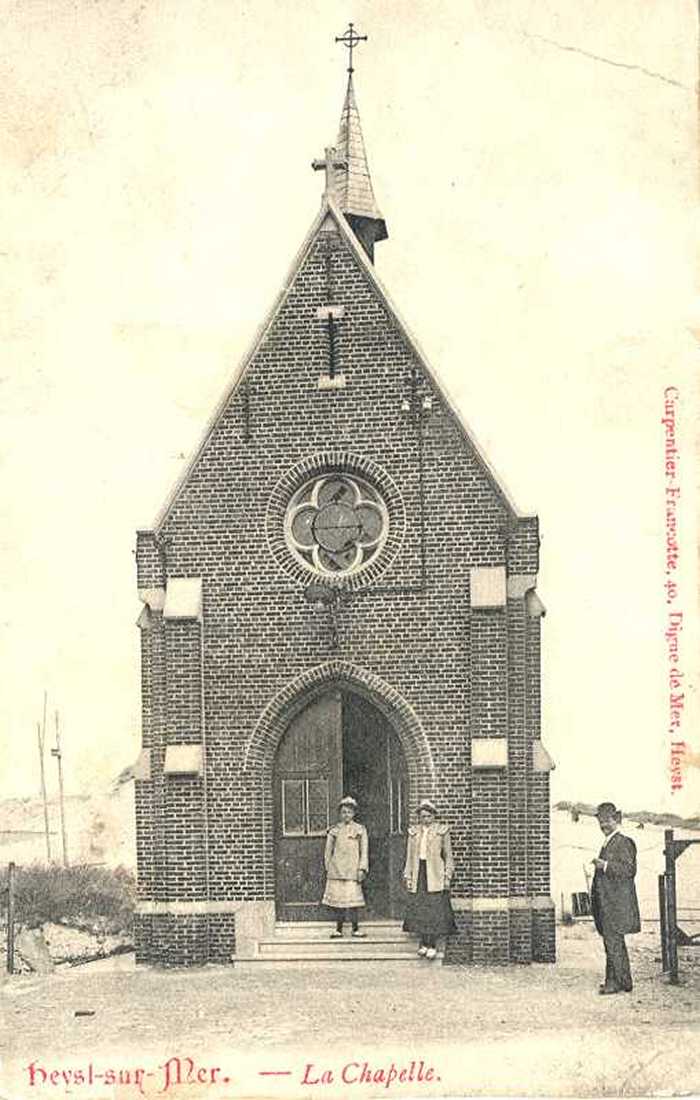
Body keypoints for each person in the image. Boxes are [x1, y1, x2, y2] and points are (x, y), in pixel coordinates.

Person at [590, 801, 641, 994]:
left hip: (615, 904)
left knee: (613, 942)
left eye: (607, 821)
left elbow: (629, 870)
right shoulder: (609, 842)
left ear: (616, 820)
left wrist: (604, 865)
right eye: (601, 821)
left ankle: (614, 983)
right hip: (607, 903)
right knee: (613, 942)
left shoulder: (624, 842)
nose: (603, 825)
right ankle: (623, 981)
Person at [402, 798, 456, 959]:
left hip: (435, 874)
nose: (425, 819)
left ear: (433, 816)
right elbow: (410, 857)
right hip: (419, 871)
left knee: (434, 909)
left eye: (428, 816)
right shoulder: (414, 832)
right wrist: (408, 875)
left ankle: (432, 944)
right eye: (423, 816)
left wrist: (447, 876)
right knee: (421, 908)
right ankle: (423, 943)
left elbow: (448, 856)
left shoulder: (441, 831)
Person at [322, 795, 369, 938]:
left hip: (352, 871)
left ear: (353, 814)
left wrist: (362, 868)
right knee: (339, 902)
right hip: (337, 870)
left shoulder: (360, 830)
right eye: (343, 812)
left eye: (349, 812)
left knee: (353, 901)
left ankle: (355, 928)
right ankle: (339, 928)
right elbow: (327, 851)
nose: (346, 815)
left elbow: (364, 850)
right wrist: (329, 867)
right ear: (340, 814)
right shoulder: (334, 830)